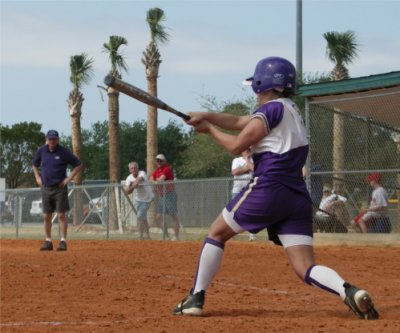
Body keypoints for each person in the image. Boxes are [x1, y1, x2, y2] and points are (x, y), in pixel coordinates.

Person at [172, 57, 378, 320]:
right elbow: (238, 120)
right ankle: (349, 291)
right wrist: (205, 115)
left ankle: (195, 297)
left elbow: (237, 145)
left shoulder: (271, 110)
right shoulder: (289, 109)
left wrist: (210, 129)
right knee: (305, 266)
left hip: (269, 188)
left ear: (262, 85)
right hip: (296, 196)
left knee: (216, 233)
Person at [32, 130, 82, 251]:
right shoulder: (41, 151)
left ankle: (63, 241)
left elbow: (78, 165)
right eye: (50, 139)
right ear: (46, 139)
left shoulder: (64, 151)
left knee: (61, 215)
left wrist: (68, 179)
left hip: (60, 188)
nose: (52, 141)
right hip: (46, 187)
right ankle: (48, 241)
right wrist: (37, 177)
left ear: (58, 140)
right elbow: (34, 164)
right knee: (46, 216)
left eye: (54, 139)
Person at [150, 154, 180, 240]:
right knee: (159, 217)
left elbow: (160, 180)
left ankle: (176, 236)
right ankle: (166, 236)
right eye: (157, 160)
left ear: (164, 161)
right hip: (162, 196)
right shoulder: (157, 170)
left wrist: (156, 181)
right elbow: (151, 178)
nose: (159, 162)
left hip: (170, 194)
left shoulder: (167, 168)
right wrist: (155, 181)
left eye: (160, 160)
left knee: (173, 215)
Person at [124, 161, 154, 240]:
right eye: (132, 168)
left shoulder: (142, 173)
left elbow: (138, 180)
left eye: (135, 167)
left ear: (138, 168)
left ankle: (140, 235)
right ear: (129, 170)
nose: (133, 169)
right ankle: (147, 235)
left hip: (148, 198)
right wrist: (132, 186)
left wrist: (132, 185)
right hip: (138, 199)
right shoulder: (129, 178)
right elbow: (127, 191)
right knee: (143, 217)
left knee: (140, 216)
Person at [231, 148, 256, 241]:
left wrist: (248, 163)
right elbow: (234, 172)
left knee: (252, 212)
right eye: (244, 150)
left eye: (248, 150)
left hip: (250, 190)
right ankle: (232, 233)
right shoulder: (237, 160)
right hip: (237, 190)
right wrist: (247, 167)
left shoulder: (254, 160)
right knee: (234, 211)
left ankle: (252, 235)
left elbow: (255, 169)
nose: (246, 151)